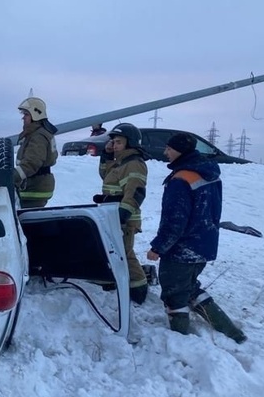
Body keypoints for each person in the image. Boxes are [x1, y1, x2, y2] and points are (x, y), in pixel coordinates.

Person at [146, 133, 246, 343]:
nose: (165, 152)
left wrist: (159, 247)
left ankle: (180, 340)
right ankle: (233, 333)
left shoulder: (182, 179)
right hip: (204, 245)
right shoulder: (208, 173)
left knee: (175, 294)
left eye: (169, 149)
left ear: (180, 151)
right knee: (191, 289)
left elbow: (175, 220)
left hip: (182, 248)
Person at [93, 123, 148, 304]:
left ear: (130, 143)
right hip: (113, 215)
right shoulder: (120, 162)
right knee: (114, 251)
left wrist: (122, 215)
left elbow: (135, 192)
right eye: (113, 142)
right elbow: (105, 175)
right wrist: (107, 154)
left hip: (124, 218)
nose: (115, 145)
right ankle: (113, 280)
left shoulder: (134, 164)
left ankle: (138, 289)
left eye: (118, 142)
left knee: (125, 252)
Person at [14, 97, 58, 208]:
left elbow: (32, 162)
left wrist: (11, 177)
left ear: (35, 115)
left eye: (26, 114)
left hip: (34, 189)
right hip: (36, 186)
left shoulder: (38, 136)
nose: (23, 118)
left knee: (27, 222)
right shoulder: (38, 133)